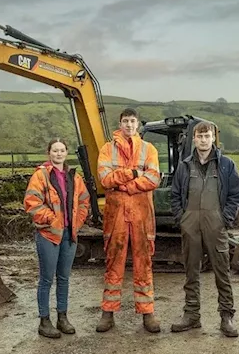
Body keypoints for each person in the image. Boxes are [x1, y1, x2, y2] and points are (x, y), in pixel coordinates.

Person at [170, 121, 239, 337]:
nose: (203, 140)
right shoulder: (184, 166)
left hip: (215, 224)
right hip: (190, 223)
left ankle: (226, 317)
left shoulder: (226, 165)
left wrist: (224, 219)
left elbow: (236, 196)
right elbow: (175, 195)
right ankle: (192, 315)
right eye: (200, 136)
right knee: (191, 271)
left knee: (222, 271)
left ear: (213, 139)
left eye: (207, 136)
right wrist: (181, 218)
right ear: (194, 139)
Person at [95, 107, 162, 333]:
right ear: (120, 123)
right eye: (125, 121)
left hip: (141, 214)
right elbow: (105, 178)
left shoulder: (148, 149)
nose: (129, 125)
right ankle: (108, 312)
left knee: (144, 263)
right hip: (116, 216)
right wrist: (132, 173)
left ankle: (147, 313)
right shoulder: (107, 149)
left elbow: (153, 177)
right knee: (113, 264)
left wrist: (126, 185)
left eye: (133, 121)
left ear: (138, 124)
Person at [24, 138, 91, 339]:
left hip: (69, 235)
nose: (59, 154)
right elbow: (32, 202)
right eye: (55, 151)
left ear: (66, 153)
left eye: (62, 150)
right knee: (46, 279)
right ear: (49, 153)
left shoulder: (73, 176)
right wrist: (53, 220)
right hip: (49, 235)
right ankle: (44, 321)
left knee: (64, 278)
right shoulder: (41, 176)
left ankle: (63, 317)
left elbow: (84, 201)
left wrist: (77, 223)